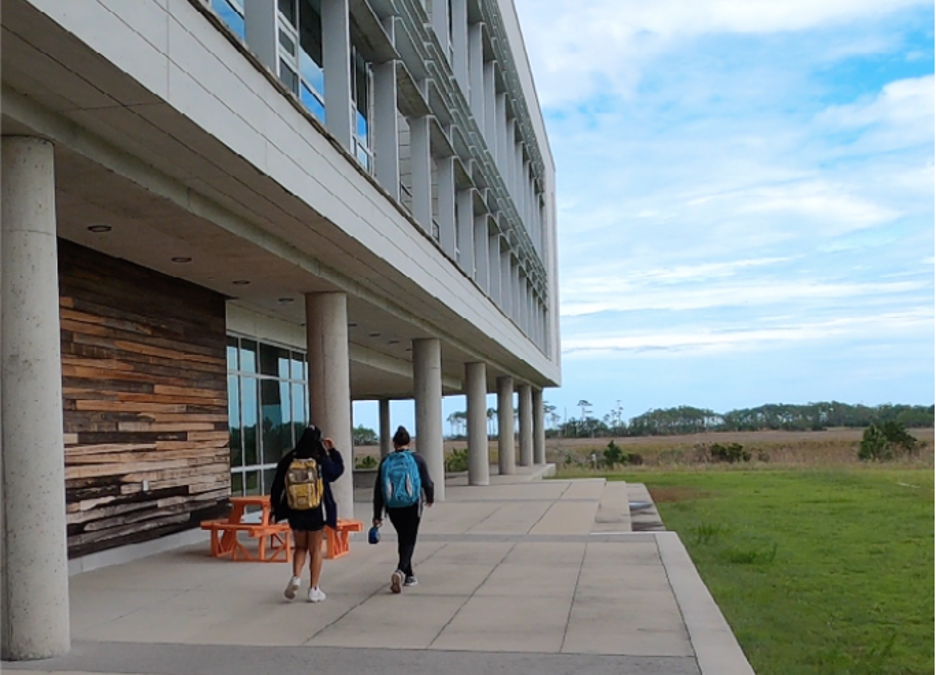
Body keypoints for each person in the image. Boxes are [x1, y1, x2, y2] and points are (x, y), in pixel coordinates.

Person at [271, 425, 344, 603]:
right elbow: (336, 471)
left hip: (294, 509)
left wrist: (275, 507)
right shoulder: (319, 460)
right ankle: (314, 589)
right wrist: (332, 450)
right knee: (316, 550)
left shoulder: (290, 459)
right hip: (316, 510)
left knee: (300, 547)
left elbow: (277, 486)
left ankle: (296, 577)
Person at [372, 426, 434, 593]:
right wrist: (430, 498)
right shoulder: (417, 459)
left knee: (402, 537)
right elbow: (427, 482)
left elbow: (378, 490)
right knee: (410, 539)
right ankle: (400, 570)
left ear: (394, 443)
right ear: (410, 442)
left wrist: (377, 515)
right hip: (412, 505)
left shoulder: (386, 461)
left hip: (393, 507)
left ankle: (409, 574)